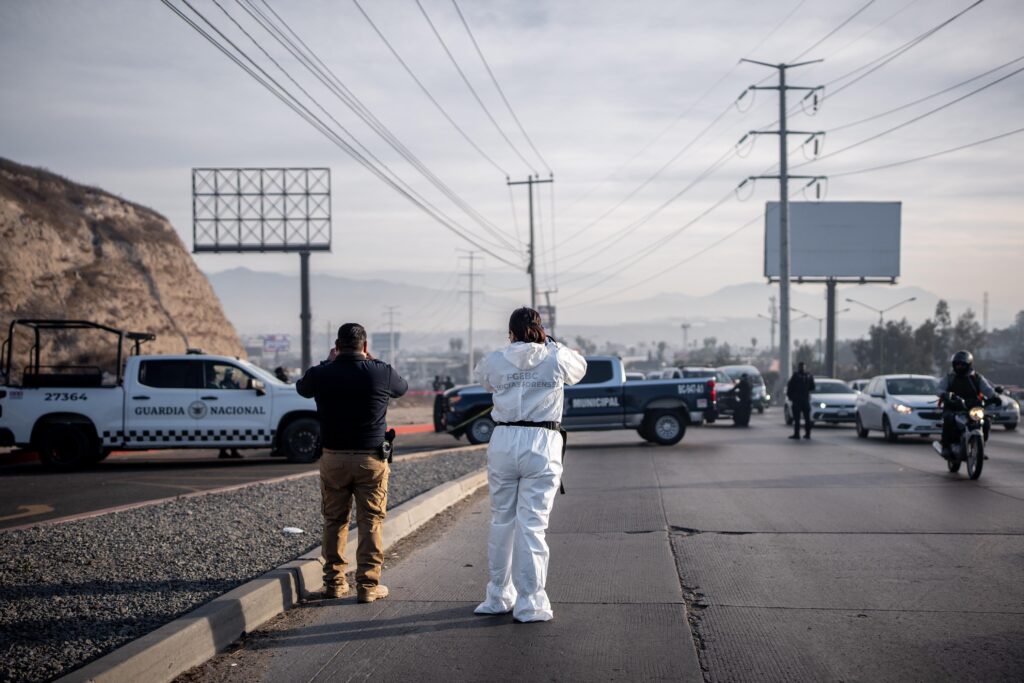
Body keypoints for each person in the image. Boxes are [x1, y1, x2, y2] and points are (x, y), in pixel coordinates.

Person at [473, 307, 587, 623]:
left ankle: (498, 595)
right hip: (542, 440)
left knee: (501, 520)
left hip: (505, 440)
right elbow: (580, 369)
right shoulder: (556, 356)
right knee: (532, 525)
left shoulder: (496, 359)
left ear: (510, 331)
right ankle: (531, 603)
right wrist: (552, 344)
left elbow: (482, 379)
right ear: (541, 329)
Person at [296, 323, 408, 603]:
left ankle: (334, 583)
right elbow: (402, 388)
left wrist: (328, 362)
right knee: (371, 520)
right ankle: (368, 586)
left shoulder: (322, 373)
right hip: (370, 458)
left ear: (337, 346)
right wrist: (372, 361)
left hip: (333, 458)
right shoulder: (381, 371)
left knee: (334, 520)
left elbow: (302, 388)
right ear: (365, 346)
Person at [936, 350, 999, 457]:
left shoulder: (977, 378)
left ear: (968, 365)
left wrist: (995, 397)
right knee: (949, 420)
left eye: (962, 364)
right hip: (953, 407)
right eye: (957, 364)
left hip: (973, 407)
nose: (959, 366)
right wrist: (944, 394)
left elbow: (987, 389)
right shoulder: (950, 377)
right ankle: (946, 446)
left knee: (986, 421)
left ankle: (981, 447)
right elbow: (939, 389)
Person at [786, 361, 816, 439]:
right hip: (803, 400)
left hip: (798, 400)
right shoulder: (808, 376)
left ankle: (798, 434)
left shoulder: (796, 376)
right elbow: (812, 387)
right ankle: (806, 434)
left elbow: (790, 387)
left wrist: (791, 396)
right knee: (805, 419)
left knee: (798, 419)